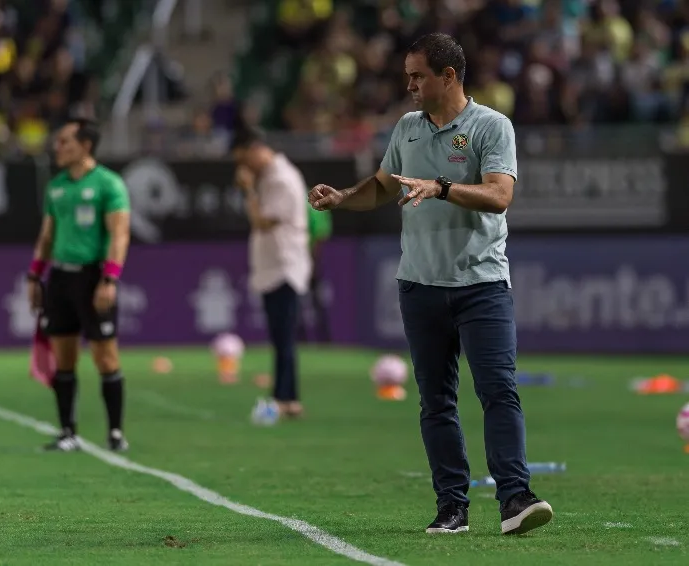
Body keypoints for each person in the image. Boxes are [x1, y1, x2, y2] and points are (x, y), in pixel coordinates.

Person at [308, 33, 553, 536]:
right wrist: (342, 198)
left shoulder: (491, 126)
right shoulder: (406, 128)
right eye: (408, 76)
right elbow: (382, 186)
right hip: (419, 286)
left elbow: (500, 195)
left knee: (498, 391)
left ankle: (515, 499)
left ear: (449, 76)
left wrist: (440, 187)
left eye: (418, 76)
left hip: (481, 283)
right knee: (435, 401)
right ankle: (452, 509)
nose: (410, 85)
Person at [27, 118, 132, 452]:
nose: (57, 148)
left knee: (105, 356)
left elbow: (120, 234)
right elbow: (47, 235)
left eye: (65, 142)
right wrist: (35, 275)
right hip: (60, 278)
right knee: (64, 358)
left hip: (93, 277)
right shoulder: (56, 186)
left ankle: (115, 433)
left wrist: (110, 278)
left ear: (85, 146)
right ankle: (67, 432)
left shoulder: (109, 185)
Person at [231, 127, 311, 418]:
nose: (244, 168)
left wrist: (248, 190)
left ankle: (287, 398)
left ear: (255, 150)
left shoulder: (280, 178)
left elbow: (262, 222)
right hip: (273, 266)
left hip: (284, 267)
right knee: (280, 337)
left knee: (284, 336)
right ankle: (284, 396)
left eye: (244, 159)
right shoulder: (270, 176)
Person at [298, 202, 332, 343]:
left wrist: (312, 261)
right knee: (296, 301)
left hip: (309, 259)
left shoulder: (311, 201)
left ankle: (323, 338)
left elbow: (320, 234)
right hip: (294, 259)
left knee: (316, 299)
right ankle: (301, 338)